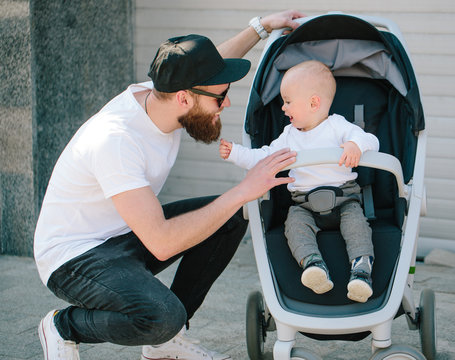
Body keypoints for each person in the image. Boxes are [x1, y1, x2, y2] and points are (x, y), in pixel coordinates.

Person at [34, 10, 305, 360]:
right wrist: (244, 188)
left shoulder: (163, 92)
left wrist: (262, 26)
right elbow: (161, 243)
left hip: (123, 234)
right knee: (162, 316)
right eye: (220, 97)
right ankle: (64, 327)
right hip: (73, 257)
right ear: (184, 98)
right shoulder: (116, 141)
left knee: (229, 219)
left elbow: (211, 62)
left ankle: (164, 346)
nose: (227, 103)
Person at [220, 60, 380, 303]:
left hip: (344, 198)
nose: (283, 108)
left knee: (357, 225)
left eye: (287, 101)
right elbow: (263, 158)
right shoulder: (288, 136)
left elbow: (370, 141)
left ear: (314, 102)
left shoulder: (338, 126)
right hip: (304, 204)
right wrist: (236, 153)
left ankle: (361, 270)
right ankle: (313, 265)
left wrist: (355, 145)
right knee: (293, 225)